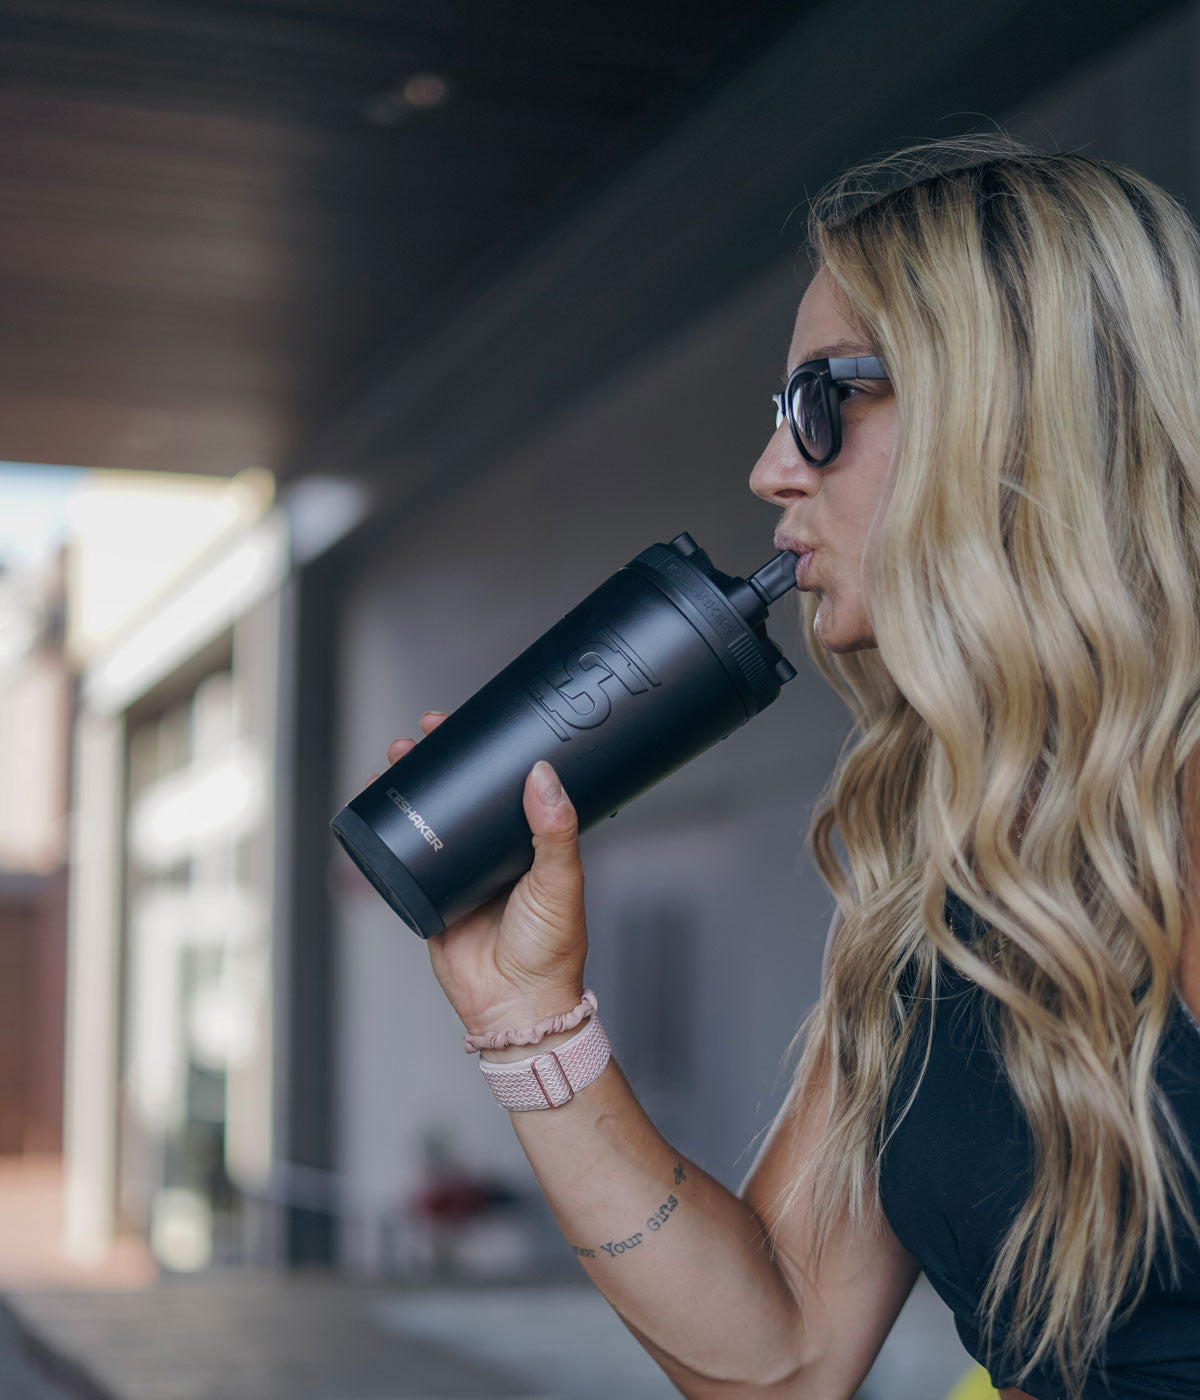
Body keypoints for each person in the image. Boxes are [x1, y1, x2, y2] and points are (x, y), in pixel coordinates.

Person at [379, 132, 1200, 1399]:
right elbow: (786, 1354)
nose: (771, 469)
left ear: (1013, 405)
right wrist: (527, 1020)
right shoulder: (940, 850)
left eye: (825, 401)